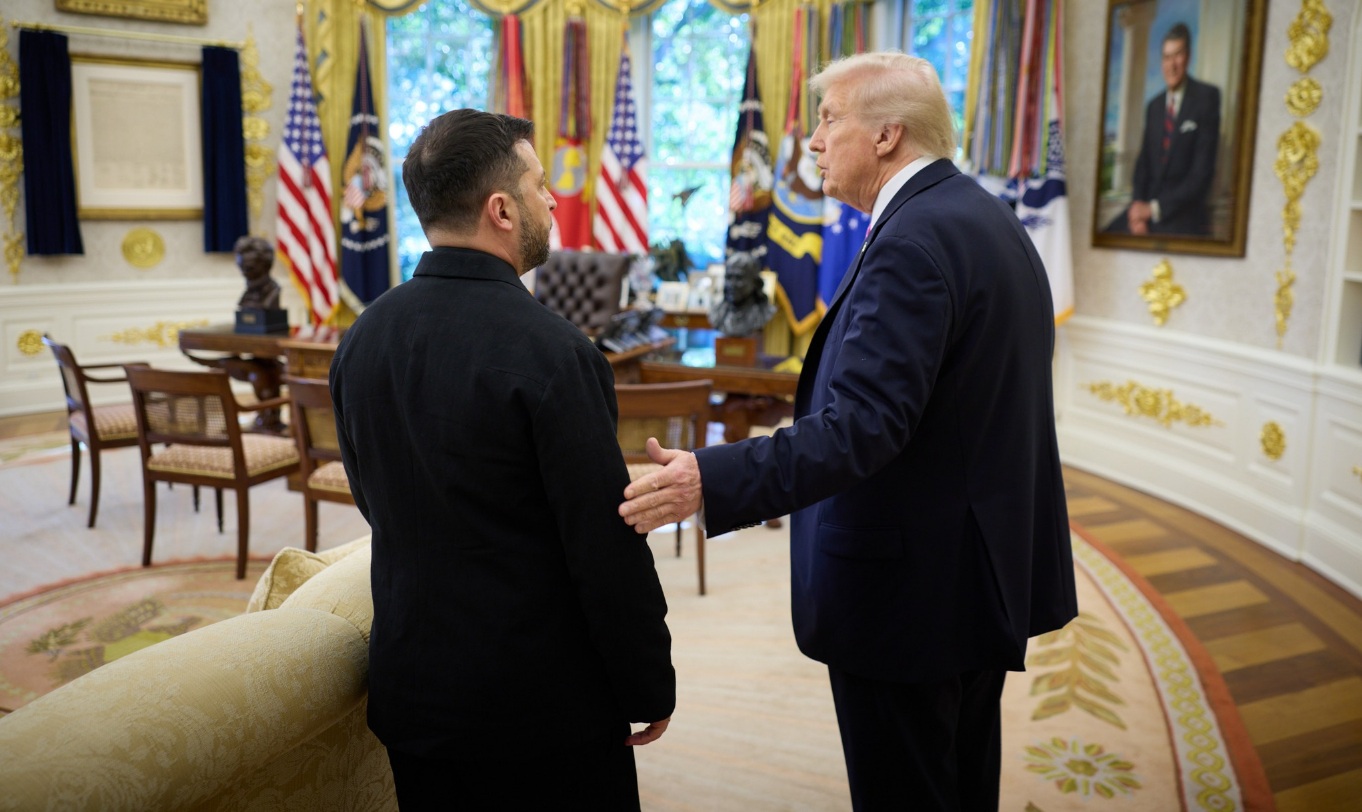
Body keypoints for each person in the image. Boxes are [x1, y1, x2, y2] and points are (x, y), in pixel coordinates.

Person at [619, 53, 1078, 810]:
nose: (814, 141)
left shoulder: (912, 243)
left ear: (888, 134)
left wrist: (710, 477)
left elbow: (861, 427)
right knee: (959, 779)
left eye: (830, 118)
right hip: (970, 575)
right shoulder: (979, 214)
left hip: (911, 596)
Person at [331, 109, 674, 810]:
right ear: (502, 210)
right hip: (541, 709)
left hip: (413, 692)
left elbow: (373, 501)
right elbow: (601, 546)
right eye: (539, 185)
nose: (552, 200)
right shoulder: (555, 351)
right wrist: (647, 681)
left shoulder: (363, 337)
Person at [1108, 22, 1220, 236]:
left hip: (1181, 214)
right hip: (1145, 211)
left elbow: (1201, 175)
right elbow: (1143, 164)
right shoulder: (1155, 106)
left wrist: (1153, 210)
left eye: (1177, 55)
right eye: (1167, 57)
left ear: (1188, 57)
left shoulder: (1206, 98)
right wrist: (1137, 209)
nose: (1172, 65)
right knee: (1108, 236)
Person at [708, 251, 775, 337]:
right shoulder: (717, 313)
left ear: (755, 282)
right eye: (728, 277)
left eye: (739, 278)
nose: (732, 284)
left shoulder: (764, 313)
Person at [234, 235, 281, 310]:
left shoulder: (273, 292)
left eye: (250, 267)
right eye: (242, 267)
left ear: (265, 265)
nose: (244, 272)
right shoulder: (247, 296)